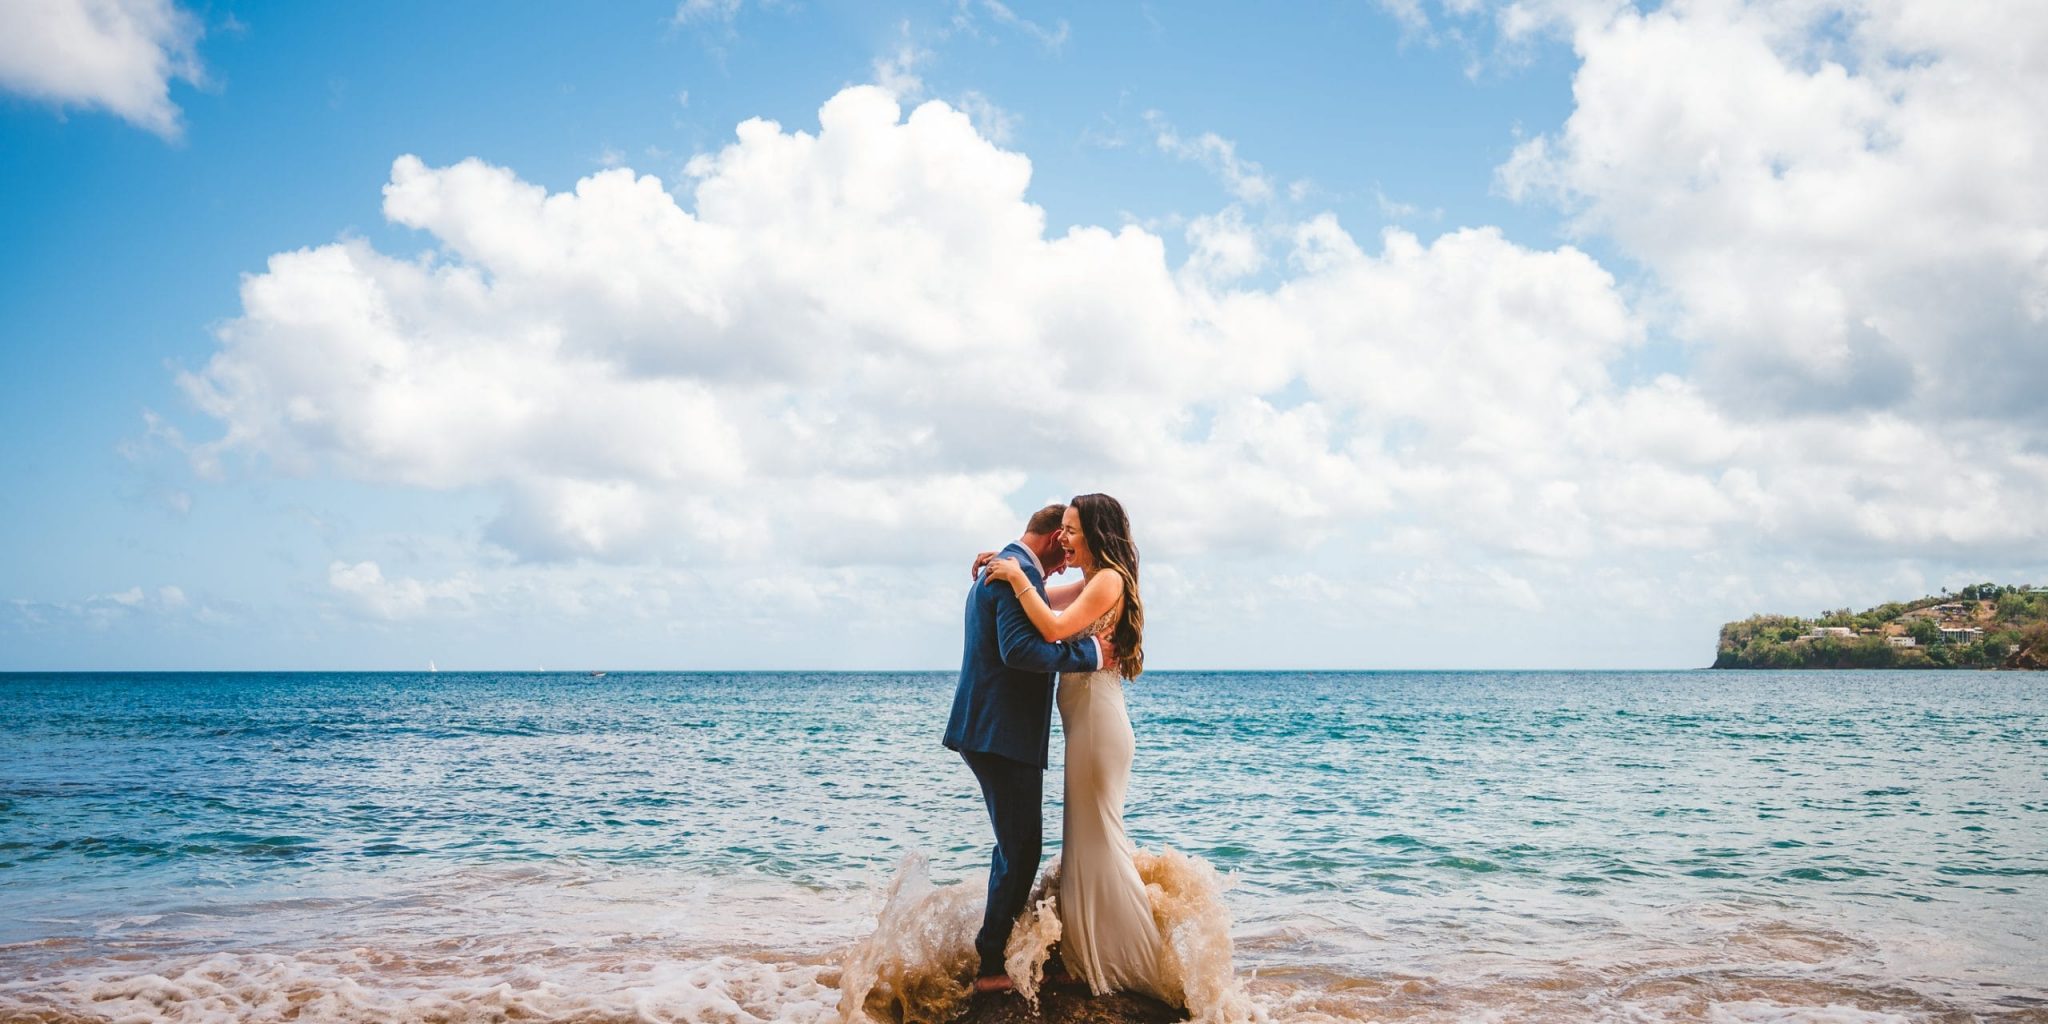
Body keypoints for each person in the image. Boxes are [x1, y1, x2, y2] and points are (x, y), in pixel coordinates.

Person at [977, 493, 1169, 1000]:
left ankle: (1139, 960)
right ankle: (1088, 956)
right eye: (1061, 529)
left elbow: (1056, 628)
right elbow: (1040, 604)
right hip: (1084, 730)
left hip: (1099, 731)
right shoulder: (1091, 581)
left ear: (1097, 533)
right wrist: (1004, 567)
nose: (1064, 538)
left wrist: (1017, 577)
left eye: (1073, 529)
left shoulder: (1108, 580)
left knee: (1100, 841)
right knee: (1084, 844)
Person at [942, 503, 1114, 995]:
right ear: (1050, 538)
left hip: (992, 731)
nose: (1065, 560)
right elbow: (1020, 651)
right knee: (1021, 850)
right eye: (1062, 549)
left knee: (1015, 847)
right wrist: (1094, 653)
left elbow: (1063, 596)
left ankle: (999, 946)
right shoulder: (1010, 575)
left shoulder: (1013, 570)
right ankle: (990, 963)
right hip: (1000, 734)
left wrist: (1025, 572)